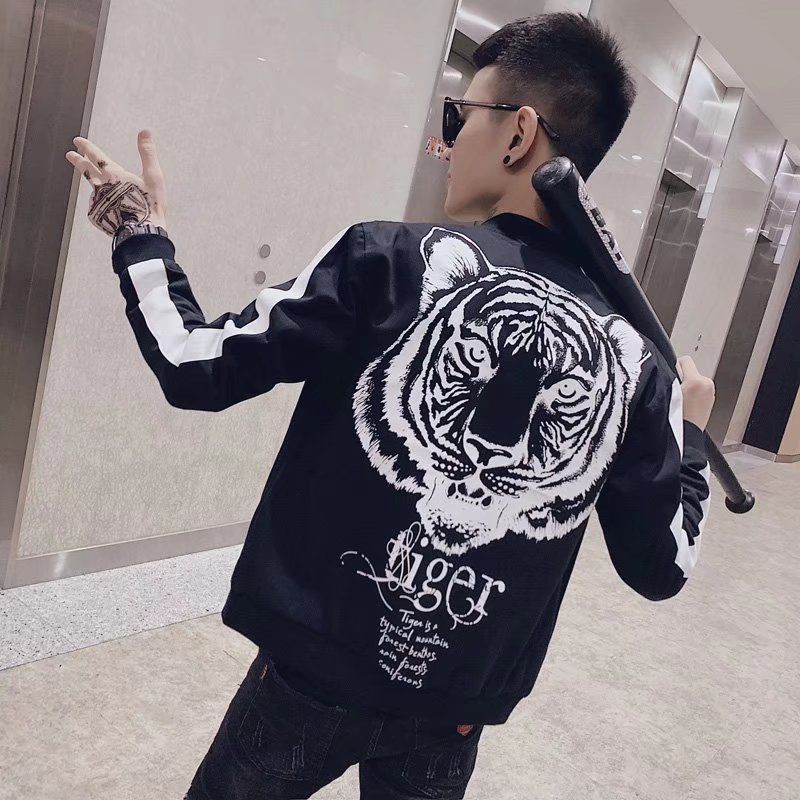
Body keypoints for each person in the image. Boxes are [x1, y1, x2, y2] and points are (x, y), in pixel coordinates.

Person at [65, 12, 715, 800]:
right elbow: (661, 567)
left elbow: (193, 366)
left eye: (458, 117)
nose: (445, 142)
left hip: (307, 682)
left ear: (517, 134)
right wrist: (688, 434)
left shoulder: (387, 259)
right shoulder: (636, 364)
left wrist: (139, 233)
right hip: (453, 714)